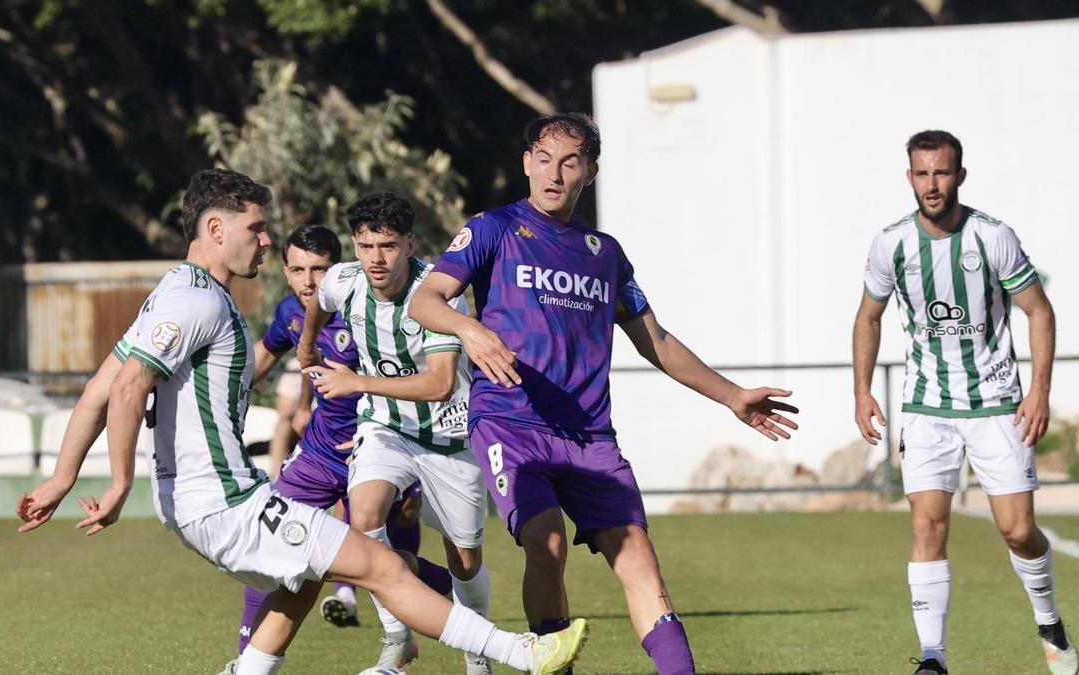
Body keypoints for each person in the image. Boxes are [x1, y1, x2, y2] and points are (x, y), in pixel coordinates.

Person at [14, 169, 588, 675]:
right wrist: (115, 483)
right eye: (256, 228)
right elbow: (126, 387)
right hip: (222, 501)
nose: (266, 240)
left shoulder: (174, 290)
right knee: (382, 566)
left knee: (308, 572)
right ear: (216, 229)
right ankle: (524, 655)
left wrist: (64, 479)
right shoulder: (198, 302)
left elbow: (98, 387)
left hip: (205, 499)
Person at [408, 113, 799, 675]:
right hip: (512, 424)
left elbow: (655, 340)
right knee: (547, 546)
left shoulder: (604, 253)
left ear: (589, 171)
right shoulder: (493, 229)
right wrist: (470, 329)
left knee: (640, 560)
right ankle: (554, 663)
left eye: (570, 162)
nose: (554, 173)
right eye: (543, 159)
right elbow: (428, 300)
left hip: (591, 437)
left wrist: (733, 395)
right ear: (526, 163)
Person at [853, 130, 1076, 675]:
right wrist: (861, 391)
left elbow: (1039, 311)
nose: (932, 184)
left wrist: (1040, 390)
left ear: (960, 175)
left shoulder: (992, 237)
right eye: (922, 173)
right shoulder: (890, 243)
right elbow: (868, 317)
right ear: (910, 177)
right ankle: (933, 658)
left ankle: (1049, 623)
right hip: (928, 407)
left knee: (1018, 530)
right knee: (928, 526)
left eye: (942, 172)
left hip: (997, 404)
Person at [229, 224, 450, 664]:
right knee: (267, 547)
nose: (308, 281)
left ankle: (445, 586)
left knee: (378, 560)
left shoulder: (371, 311)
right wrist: (212, 390)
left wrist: (382, 430)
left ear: (340, 270)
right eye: (297, 269)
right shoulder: (292, 312)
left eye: (319, 269)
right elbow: (264, 357)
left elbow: (426, 374)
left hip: (377, 450)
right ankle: (244, 661)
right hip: (317, 455)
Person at [296, 191, 494, 673]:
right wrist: (305, 348)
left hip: (448, 435)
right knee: (363, 513)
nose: (375, 258)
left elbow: (441, 382)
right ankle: (397, 635)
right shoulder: (344, 279)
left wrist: (355, 381)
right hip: (385, 426)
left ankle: (477, 647)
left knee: (464, 559)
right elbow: (319, 301)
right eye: (365, 246)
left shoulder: (437, 293)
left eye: (386, 245)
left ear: (409, 243)